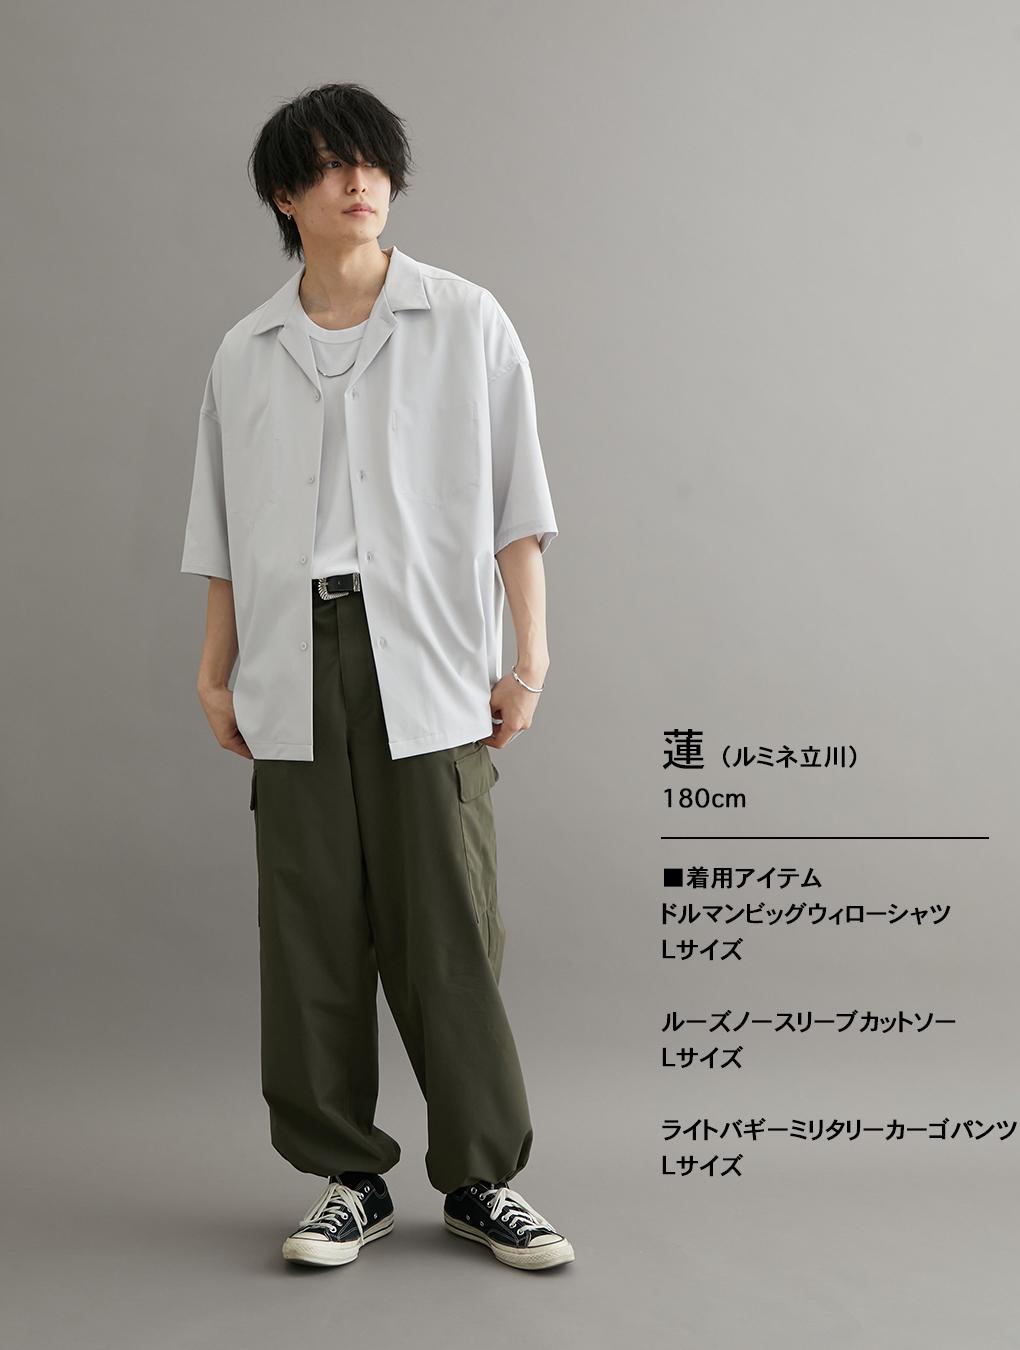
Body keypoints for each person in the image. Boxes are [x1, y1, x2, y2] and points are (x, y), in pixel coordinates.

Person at [179, 81, 572, 1272]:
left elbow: (517, 507)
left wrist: (530, 656)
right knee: (307, 928)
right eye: (330, 164)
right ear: (284, 196)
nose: (359, 180)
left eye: (374, 161)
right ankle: (347, 1178)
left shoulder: (465, 319)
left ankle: (483, 1180)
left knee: (448, 920)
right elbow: (222, 531)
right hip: (293, 659)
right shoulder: (246, 352)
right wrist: (215, 671)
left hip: (434, 658)